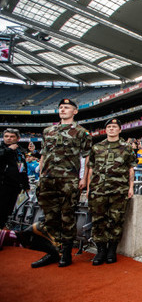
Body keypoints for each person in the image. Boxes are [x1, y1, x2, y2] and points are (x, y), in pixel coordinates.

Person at [34, 98, 92, 268]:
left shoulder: (82, 132)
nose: (63, 110)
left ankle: (66, 253)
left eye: (67, 107)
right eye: (60, 107)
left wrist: (84, 179)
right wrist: (41, 176)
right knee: (50, 218)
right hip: (47, 179)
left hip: (68, 180)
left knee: (67, 217)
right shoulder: (48, 131)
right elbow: (43, 155)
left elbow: (87, 157)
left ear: (75, 111)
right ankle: (52, 252)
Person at [87, 118, 136, 265]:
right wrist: (89, 187)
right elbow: (91, 168)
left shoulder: (126, 147)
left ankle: (111, 250)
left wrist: (131, 187)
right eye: (109, 127)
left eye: (114, 127)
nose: (111, 129)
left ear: (120, 130)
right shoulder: (97, 147)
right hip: (98, 190)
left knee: (116, 220)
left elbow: (131, 168)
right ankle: (100, 251)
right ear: (105, 130)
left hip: (119, 190)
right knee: (98, 220)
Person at [0, 128, 29, 228]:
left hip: (15, 186)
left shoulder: (19, 151)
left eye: (12, 137)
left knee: (9, 211)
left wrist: (26, 184)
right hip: (3, 185)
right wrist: (9, 150)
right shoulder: (2, 148)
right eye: (6, 136)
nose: (9, 139)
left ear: (18, 138)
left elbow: (23, 168)